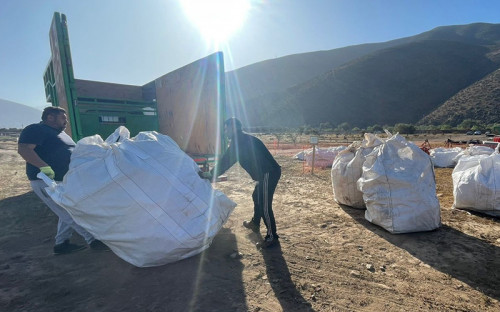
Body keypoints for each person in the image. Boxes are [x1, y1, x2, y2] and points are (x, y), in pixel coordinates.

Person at [18, 106, 109, 255]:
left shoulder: (61, 133)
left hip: (65, 180)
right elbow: (24, 149)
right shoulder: (36, 129)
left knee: (67, 210)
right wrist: (44, 167)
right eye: (63, 119)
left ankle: (61, 244)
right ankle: (93, 239)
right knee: (67, 212)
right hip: (46, 181)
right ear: (50, 117)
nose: (66, 122)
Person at [206, 118, 281, 248]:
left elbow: (226, 161)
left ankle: (272, 237)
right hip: (265, 173)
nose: (225, 132)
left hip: (268, 173)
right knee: (256, 196)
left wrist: (211, 174)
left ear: (233, 128)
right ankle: (255, 223)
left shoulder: (239, 141)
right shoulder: (241, 139)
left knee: (264, 205)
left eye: (226, 129)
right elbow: (228, 159)